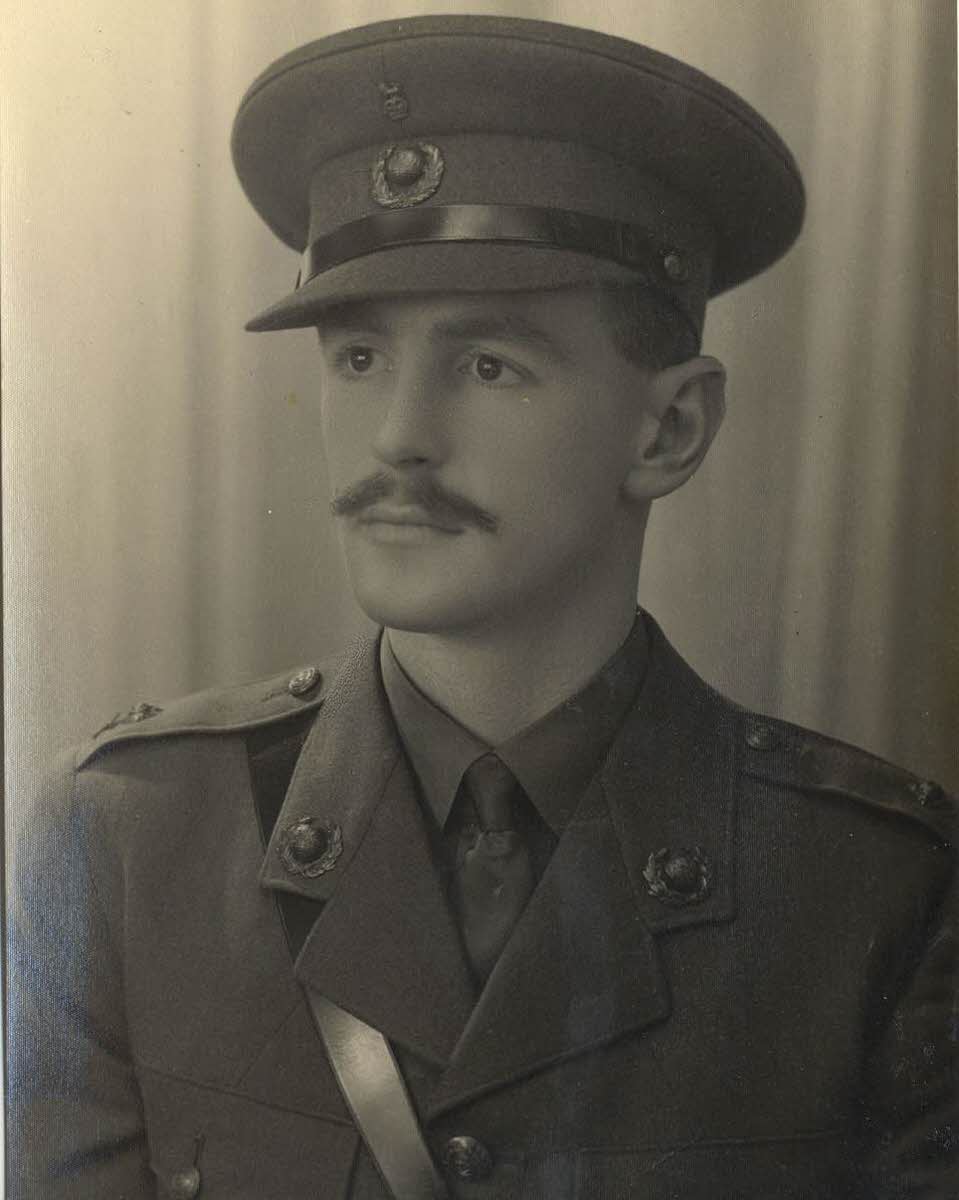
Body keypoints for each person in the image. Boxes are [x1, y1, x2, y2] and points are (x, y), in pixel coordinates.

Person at [11, 15, 955, 1200]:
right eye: (359, 359)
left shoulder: (873, 895)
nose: (397, 438)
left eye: (487, 365)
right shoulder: (131, 843)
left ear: (668, 430)